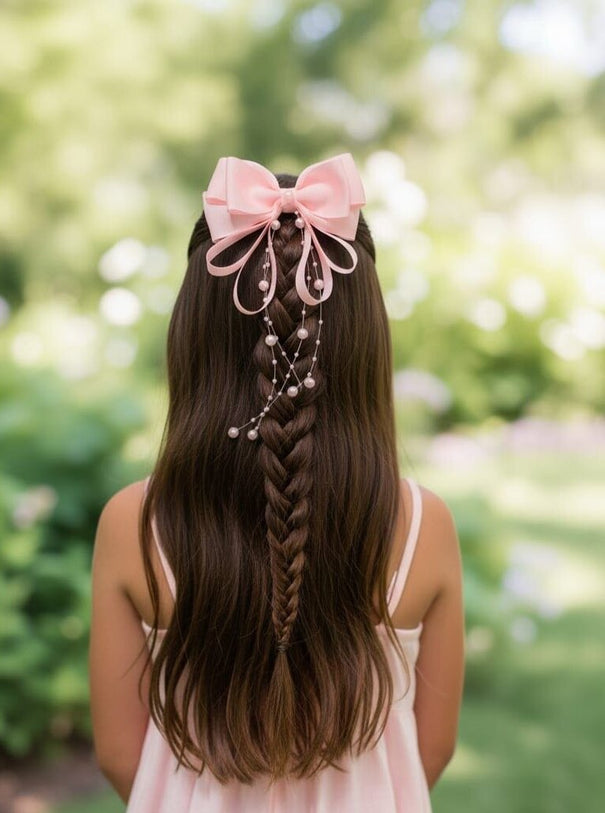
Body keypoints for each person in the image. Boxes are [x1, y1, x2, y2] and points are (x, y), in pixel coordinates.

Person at [89, 153, 465, 811]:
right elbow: (430, 749)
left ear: (195, 338)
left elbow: (120, 754)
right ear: (364, 341)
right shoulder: (421, 526)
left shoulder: (134, 522)